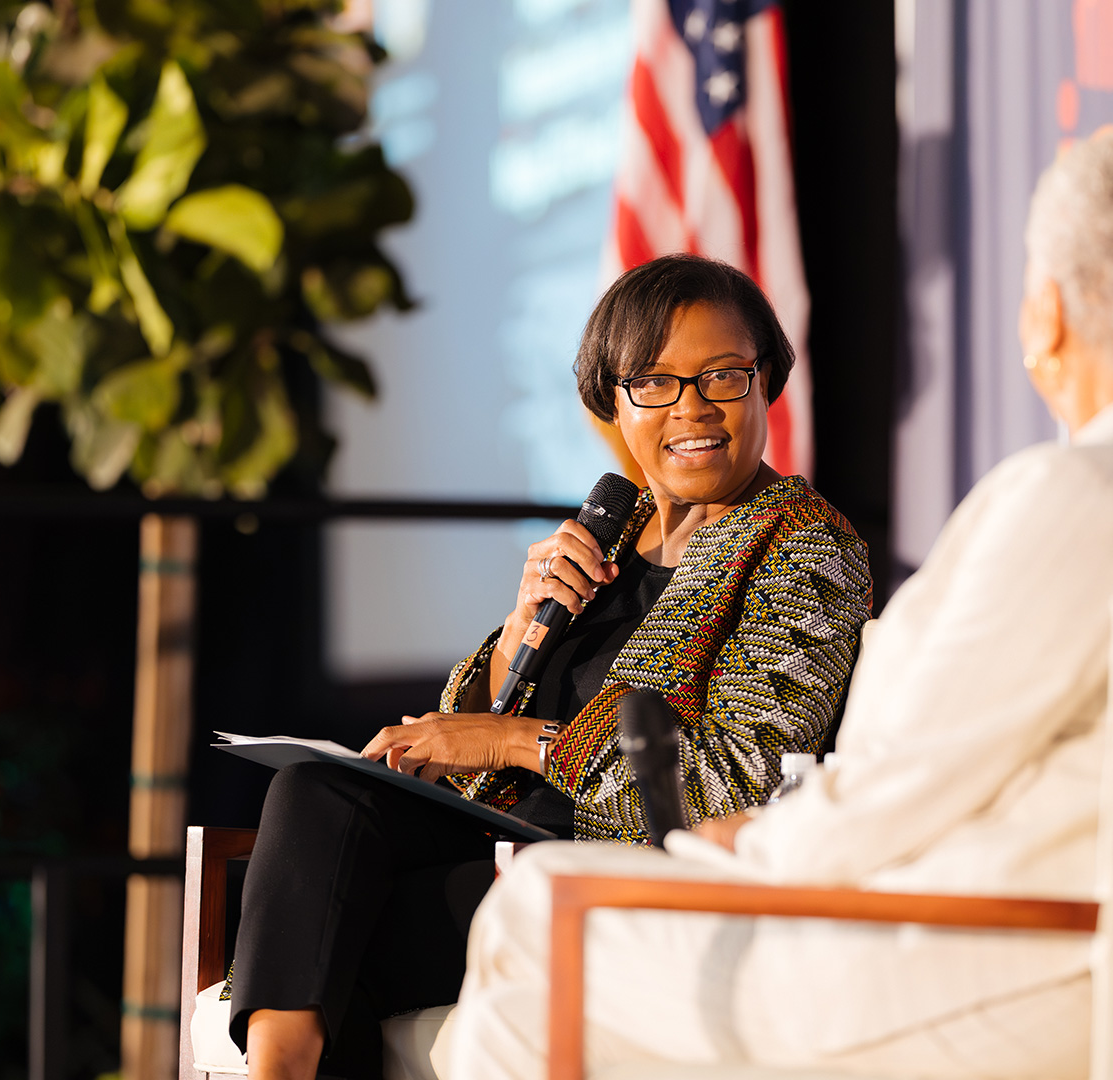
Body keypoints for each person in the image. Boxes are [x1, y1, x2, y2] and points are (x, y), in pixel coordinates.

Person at [434, 130, 1113, 1080]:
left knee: (537, 913)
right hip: (1099, 949)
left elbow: (905, 787)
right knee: (550, 900)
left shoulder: (1074, 498)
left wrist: (733, 846)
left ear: (1043, 315)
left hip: (991, 962)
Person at [229, 254, 872, 1079]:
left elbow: (734, 784)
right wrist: (514, 637)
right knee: (315, 791)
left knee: (328, 940)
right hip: (499, 842)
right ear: (612, 400)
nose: (693, 409)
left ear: (767, 380)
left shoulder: (804, 549)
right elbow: (468, 727)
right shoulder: (611, 530)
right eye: (656, 383)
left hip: (618, 869)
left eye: (723, 377)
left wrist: (516, 743)